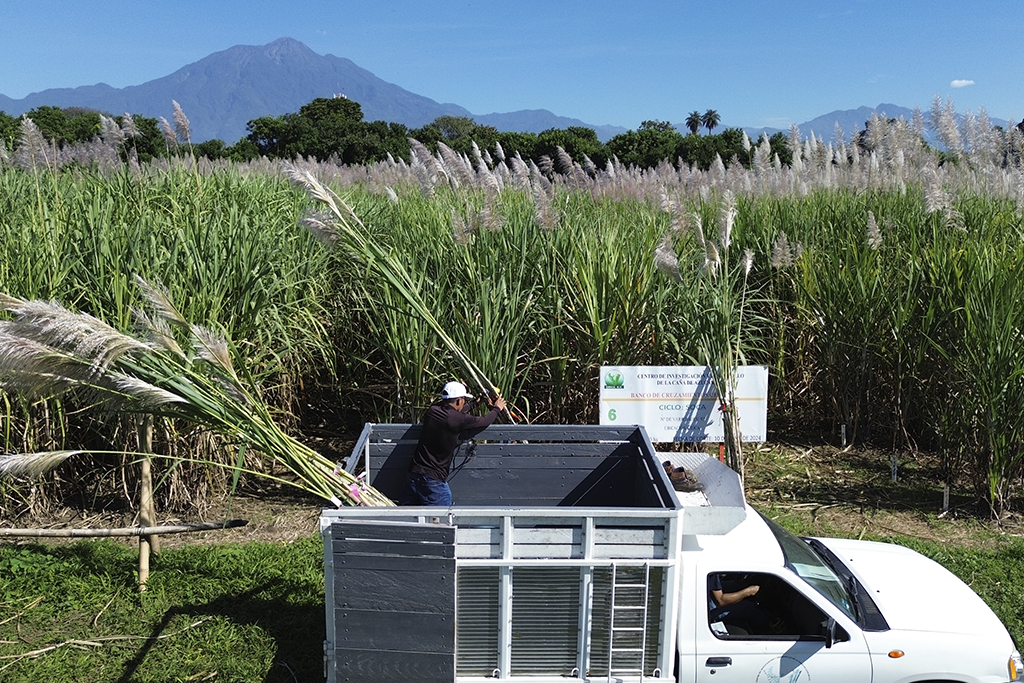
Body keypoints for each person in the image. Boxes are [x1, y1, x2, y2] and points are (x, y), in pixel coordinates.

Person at [399, 381, 507, 506]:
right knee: (441, 516)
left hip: (413, 474)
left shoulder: (432, 411)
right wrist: (497, 409)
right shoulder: (458, 419)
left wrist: (475, 403)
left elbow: (454, 413)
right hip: (433, 480)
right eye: (464, 400)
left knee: (408, 516)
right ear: (459, 401)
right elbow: (484, 421)